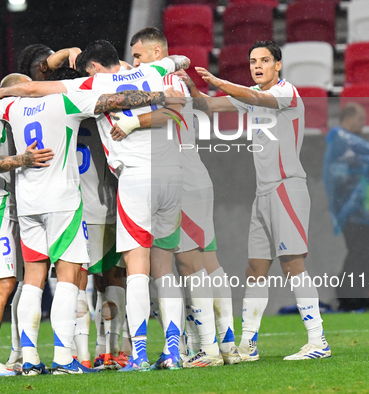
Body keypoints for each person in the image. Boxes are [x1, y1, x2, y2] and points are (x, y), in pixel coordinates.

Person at [0, 41, 190, 372]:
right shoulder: (149, 71)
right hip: (161, 179)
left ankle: (40, 356)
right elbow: (176, 63)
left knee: (47, 279)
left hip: (46, 199)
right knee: (155, 269)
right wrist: (155, 90)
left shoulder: (27, 104)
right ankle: (156, 350)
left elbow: (18, 91)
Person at [196, 40, 331, 361]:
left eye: (265, 60)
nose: (257, 65)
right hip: (263, 193)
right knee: (255, 268)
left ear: (278, 65)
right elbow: (209, 106)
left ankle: (318, 342)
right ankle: (249, 345)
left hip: (287, 188)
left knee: (292, 264)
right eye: (253, 60)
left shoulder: (286, 93)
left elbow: (253, 96)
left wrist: (220, 83)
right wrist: (188, 88)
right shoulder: (251, 99)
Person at [127, 27, 240, 367]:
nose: (134, 63)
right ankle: (227, 344)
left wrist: (133, 123)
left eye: (138, 55)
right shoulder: (173, 78)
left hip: (182, 180)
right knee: (209, 261)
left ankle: (207, 347)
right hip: (196, 176)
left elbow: (172, 112)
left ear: (156, 54)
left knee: (191, 264)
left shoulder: (165, 84)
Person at [0, 73, 54, 376]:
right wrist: (23, 159)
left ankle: (2, 357)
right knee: (2, 285)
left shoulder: (5, 121)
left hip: (4, 211)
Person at [323, 102, 369, 311]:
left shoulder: (344, 144)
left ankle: (353, 299)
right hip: (355, 212)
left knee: (359, 255)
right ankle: (350, 300)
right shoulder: (343, 139)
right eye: (360, 119)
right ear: (348, 119)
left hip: (360, 212)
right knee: (358, 255)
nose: (363, 124)